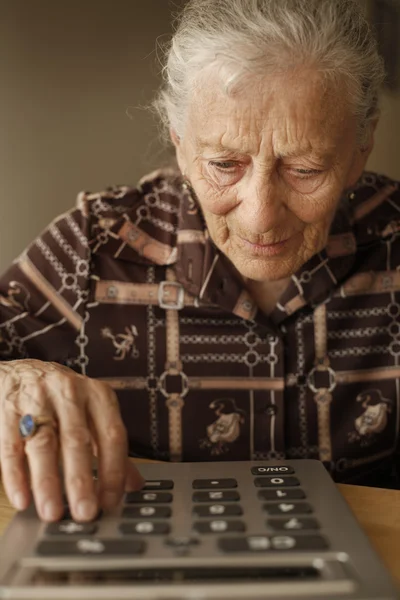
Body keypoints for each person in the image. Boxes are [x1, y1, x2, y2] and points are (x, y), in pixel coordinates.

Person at [0, 0, 399, 524]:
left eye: (305, 169)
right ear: (181, 145)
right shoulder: (91, 250)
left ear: (360, 149)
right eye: (224, 165)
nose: (260, 216)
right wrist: (11, 381)